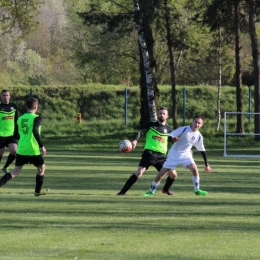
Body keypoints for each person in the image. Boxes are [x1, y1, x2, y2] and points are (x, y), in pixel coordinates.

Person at [143, 114, 212, 197]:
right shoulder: (184, 129)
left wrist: (206, 164)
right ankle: (151, 191)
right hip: (173, 156)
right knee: (160, 175)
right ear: (192, 121)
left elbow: (202, 150)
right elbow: (169, 136)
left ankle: (196, 190)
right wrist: (173, 139)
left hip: (186, 156)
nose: (197, 124)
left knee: (194, 169)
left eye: (199, 123)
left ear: (201, 125)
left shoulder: (199, 136)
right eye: (195, 122)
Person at [117, 107, 177, 196]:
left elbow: (174, 144)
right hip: (150, 153)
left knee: (173, 174)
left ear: (167, 116)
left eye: (164, 113)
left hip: (162, 156)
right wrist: (135, 140)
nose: (161, 115)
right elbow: (139, 132)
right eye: (160, 113)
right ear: (157, 114)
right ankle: (122, 192)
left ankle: (166, 190)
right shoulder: (151, 125)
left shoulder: (169, 130)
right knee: (139, 172)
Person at [0, 97, 49, 196]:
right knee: (42, 168)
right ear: (36, 107)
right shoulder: (37, 118)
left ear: (26, 106)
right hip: (32, 149)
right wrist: (42, 146)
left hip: (21, 149)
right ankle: (37, 191)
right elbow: (35, 131)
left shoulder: (20, 119)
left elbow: (16, 134)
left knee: (15, 172)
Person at [0, 90, 18, 174]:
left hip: (11, 134)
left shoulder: (14, 107)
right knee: (0, 153)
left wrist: (17, 132)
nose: (5, 97)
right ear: (1, 97)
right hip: (1, 134)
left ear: (9, 96)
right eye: (4, 95)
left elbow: (16, 120)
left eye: (7, 95)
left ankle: (5, 167)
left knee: (14, 151)